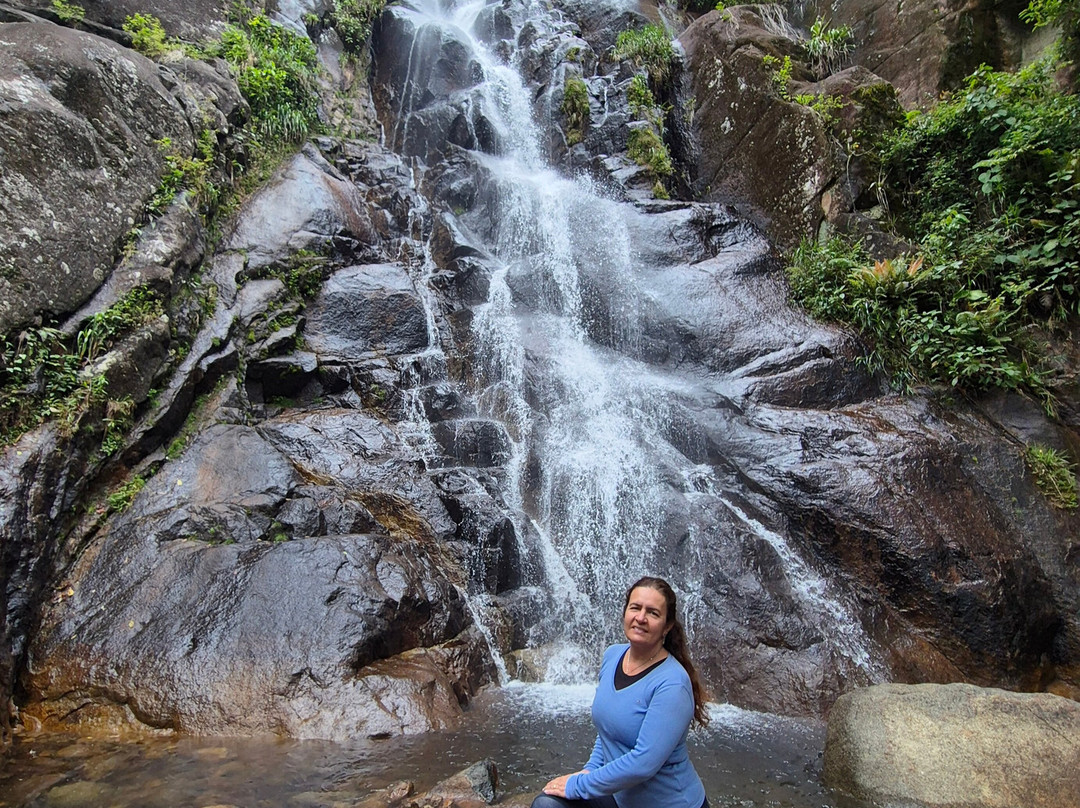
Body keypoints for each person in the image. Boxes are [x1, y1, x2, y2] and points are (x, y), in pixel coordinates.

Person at [531, 576, 710, 808]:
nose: (641, 618)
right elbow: (608, 730)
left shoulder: (672, 684)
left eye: (653, 613)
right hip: (620, 798)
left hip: (671, 803)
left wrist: (579, 785)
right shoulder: (613, 656)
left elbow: (643, 764)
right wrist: (589, 770)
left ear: (667, 626)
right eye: (635, 608)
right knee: (547, 805)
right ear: (625, 612)